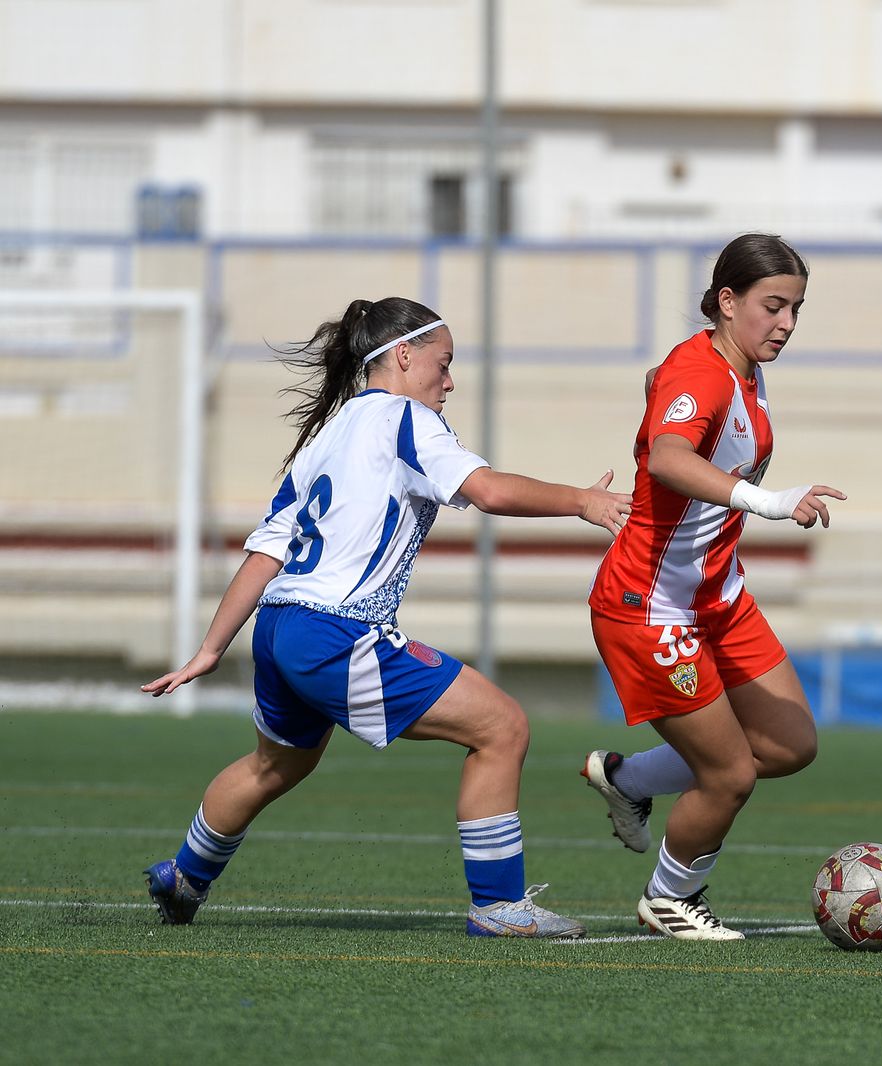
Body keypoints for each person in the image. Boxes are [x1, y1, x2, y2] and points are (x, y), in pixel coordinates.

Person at [139, 297, 630, 939]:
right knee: (502, 728)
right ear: (403, 355)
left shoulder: (326, 435)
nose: (450, 382)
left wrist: (211, 647)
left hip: (280, 626)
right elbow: (486, 490)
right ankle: (499, 906)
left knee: (275, 765)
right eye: (444, 363)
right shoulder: (405, 419)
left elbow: (267, 553)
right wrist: (582, 501)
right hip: (335, 630)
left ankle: (184, 876)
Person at [580, 233, 844, 940]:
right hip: (650, 606)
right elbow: (668, 456)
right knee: (729, 775)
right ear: (727, 302)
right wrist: (768, 501)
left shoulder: (737, 367)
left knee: (789, 746)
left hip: (717, 598)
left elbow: (662, 398)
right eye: (773, 306)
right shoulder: (703, 374)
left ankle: (628, 780)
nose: (786, 323)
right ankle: (670, 898)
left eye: (795, 308)